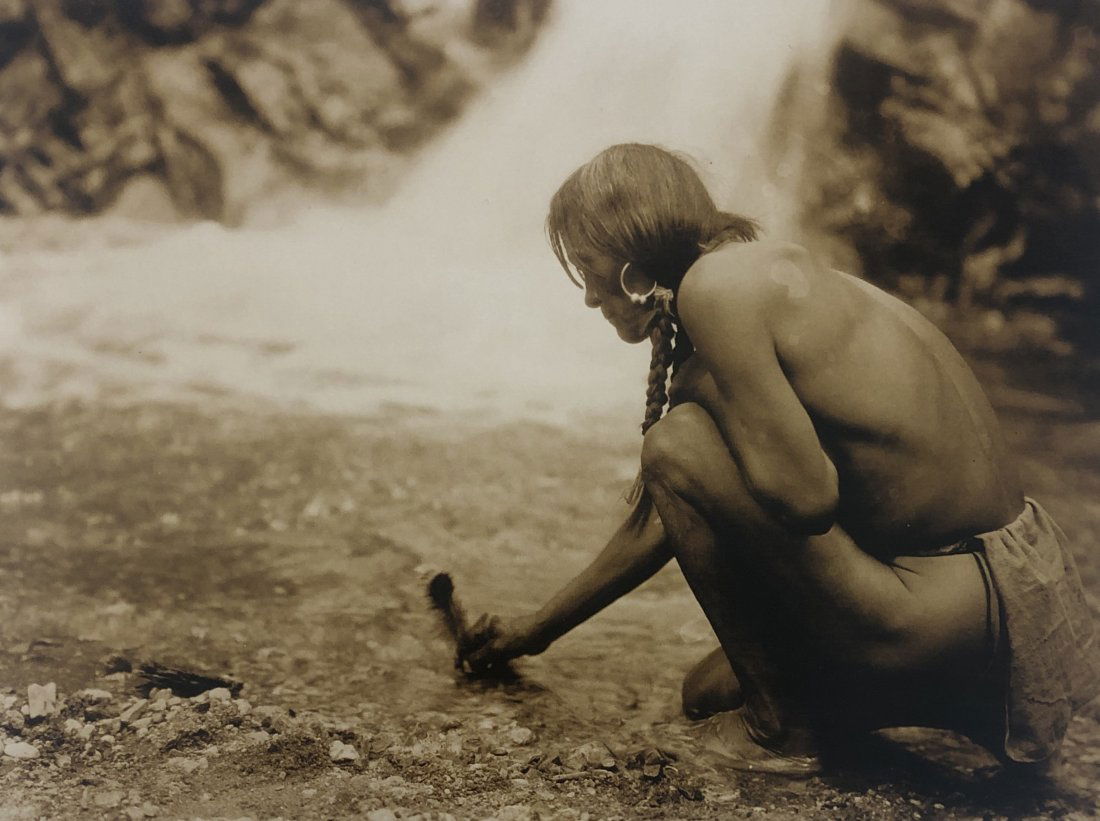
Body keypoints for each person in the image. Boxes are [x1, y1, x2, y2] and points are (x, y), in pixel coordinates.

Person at [462, 143, 1100, 774]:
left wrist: (708, 407)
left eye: (587, 268)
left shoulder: (716, 290)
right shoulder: (765, 274)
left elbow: (803, 495)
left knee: (676, 441)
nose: (587, 297)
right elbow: (664, 515)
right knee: (706, 694)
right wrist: (536, 629)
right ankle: (920, 703)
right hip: (1015, 614)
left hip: (943, 607)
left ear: (632, 269)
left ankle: (778, 730)